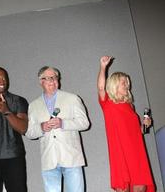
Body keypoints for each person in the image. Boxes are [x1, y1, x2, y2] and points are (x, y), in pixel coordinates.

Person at [25, 66, 89, 192]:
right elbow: (29, 133)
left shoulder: (72, 98)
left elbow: (84, 123)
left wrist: (63, 123)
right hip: (49, 160)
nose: (52, 81)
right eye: (48, 78)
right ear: (40, 82)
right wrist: (41, 128)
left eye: (54, 78)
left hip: (71, 158)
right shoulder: (33, 105)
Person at [97, 56, 155, 192]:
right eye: (124, 83)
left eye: (127, 83)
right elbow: (100, 87)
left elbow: (137, 131)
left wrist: (145, 125)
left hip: (136, 150)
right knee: (123, 188)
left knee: (140, 187)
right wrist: (103, 67)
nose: (127, 85)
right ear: (114, 84)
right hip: (120, 150)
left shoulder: (130, 106)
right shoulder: (108, 103)